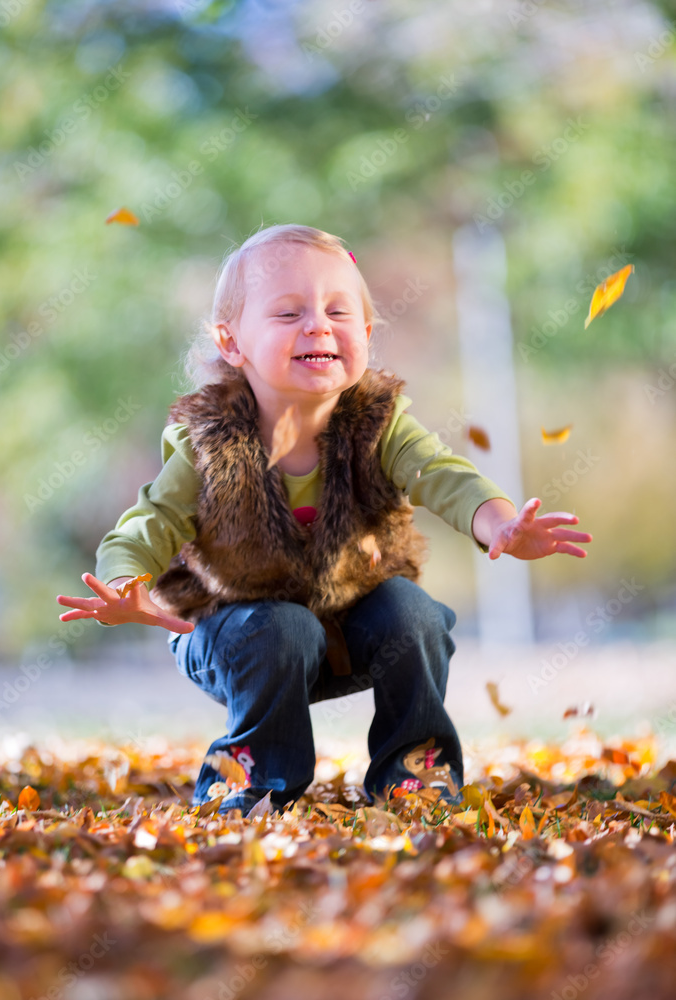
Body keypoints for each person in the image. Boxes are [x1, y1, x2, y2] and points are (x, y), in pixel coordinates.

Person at [57, 224, 592, 817]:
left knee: (413, 611)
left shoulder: (379, 424)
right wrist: (125, 583)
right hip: (235, 634)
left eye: (338, 311)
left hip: (349, 625)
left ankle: (415, 775)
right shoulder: (207, 442)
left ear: (364, 334)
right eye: (288, 313)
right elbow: (150, 520)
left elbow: (443, 474)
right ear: (232, 343)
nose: (317, 325)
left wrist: (501, 524)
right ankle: (247, 781)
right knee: (282, 629)